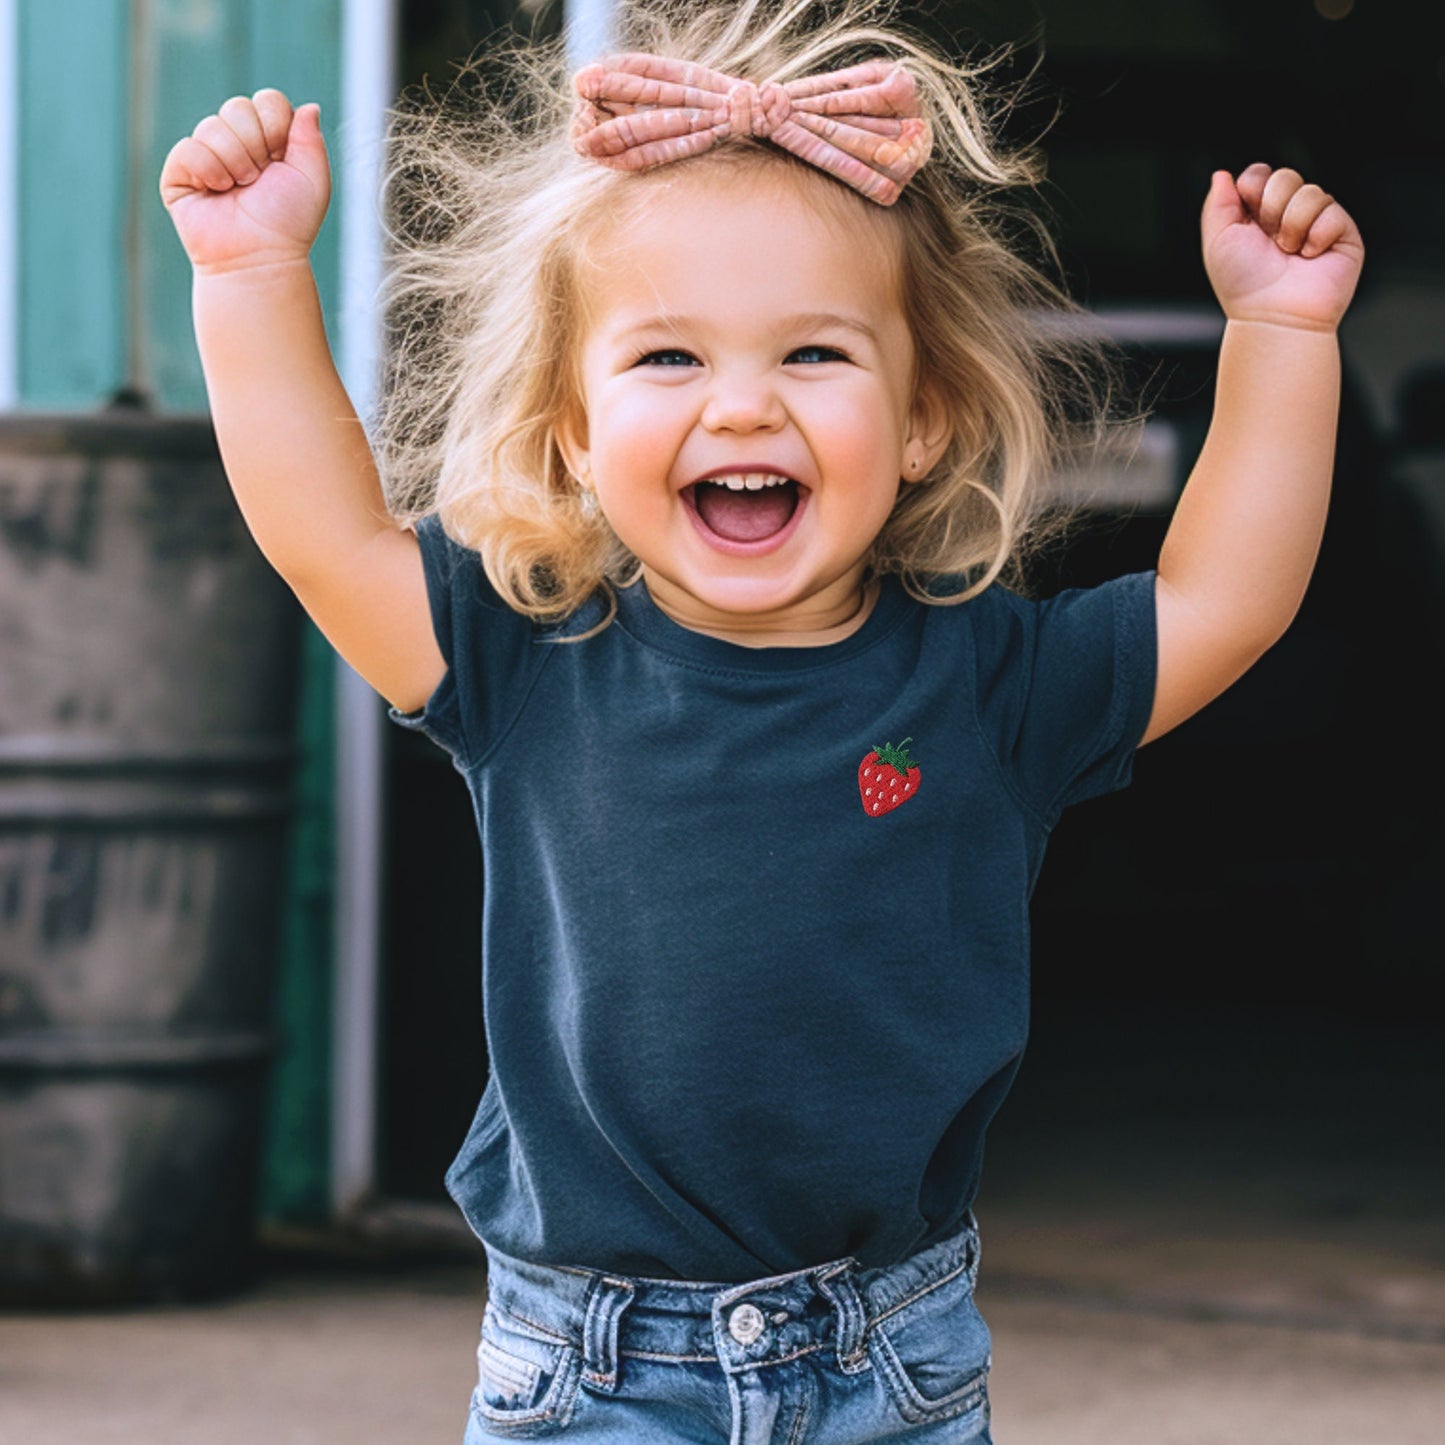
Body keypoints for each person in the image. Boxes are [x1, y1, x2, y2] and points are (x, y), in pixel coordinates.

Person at [159, 2, 1363, 1440]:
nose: (743, 406)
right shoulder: (524, 659)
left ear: (922, 419)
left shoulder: (989, 684)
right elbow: (322, 535)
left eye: (814, 357)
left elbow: (1223, 595)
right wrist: (246, 271)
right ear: (571, 433)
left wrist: (1282, 331)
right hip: (590, 1369)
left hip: (889, 1361)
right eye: (667, 360)